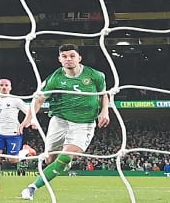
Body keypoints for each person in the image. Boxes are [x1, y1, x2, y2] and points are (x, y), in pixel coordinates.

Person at [18, 44, 109, 200]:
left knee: (66, 156)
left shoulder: (95, 75)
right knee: (50, 160)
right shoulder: (54, 79)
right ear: (59, 59)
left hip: (84, 124)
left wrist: (104, 111)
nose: (68, 59)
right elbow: (38, 100)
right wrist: (28, 119)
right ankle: (61, 164)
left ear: (79, 58)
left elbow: (103, 94)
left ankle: (32, 187)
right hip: (59, 121)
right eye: (64, 56)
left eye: (72, 56)